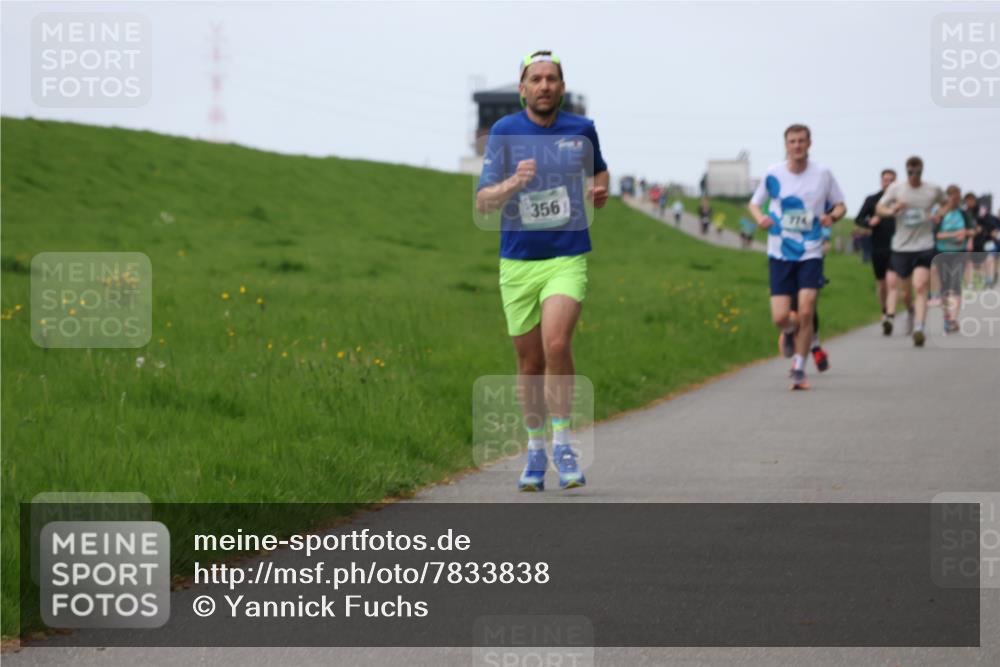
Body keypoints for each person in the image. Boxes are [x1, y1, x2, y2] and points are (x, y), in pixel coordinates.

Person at [476, 50, 608, 491]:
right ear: (523, 89)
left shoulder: (582, 130)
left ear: (561, 87)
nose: (545, 86)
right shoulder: (505, 131)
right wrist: (514, 181)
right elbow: (484, 201)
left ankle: (564, 446)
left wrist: (599, 190)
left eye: (552, 78)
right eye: (537, 79)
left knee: (556, 342)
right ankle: (534, 452)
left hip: (566, 255)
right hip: (517, 261)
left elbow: (601, 175)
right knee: (529, 361)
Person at [748, 124, 845, 390]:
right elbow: (754, 203)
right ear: (786, 145)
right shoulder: (773, 173)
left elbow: (840, 204)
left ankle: (799, 369)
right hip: (780, 251)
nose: (797, 145)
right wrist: (760, 218)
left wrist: (832, 216)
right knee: (780, 318)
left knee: (806, 309)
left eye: (802, 141)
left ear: (809, 143)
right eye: (792, 141)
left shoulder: (822, 174)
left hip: (811, 251)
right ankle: (790, 332)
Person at [875, 155, 952, 347]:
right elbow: (879, 208)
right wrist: (893, 210)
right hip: (901, 247)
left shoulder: (932, 189)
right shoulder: (897, 189)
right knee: (905, 293)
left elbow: (948, 202)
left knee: (920, 286)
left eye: (917, 172)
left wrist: (939, 214)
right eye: (910, 171)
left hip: (924, 246)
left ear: (922, 171)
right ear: (906, 170)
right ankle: (909, 311)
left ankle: (919, 328)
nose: (914, 175)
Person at [854, 169, 904, 329]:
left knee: (892, 282)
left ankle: (890, 315)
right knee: (882, 284)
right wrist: (869, 223)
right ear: (881, 181)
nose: (888, 183)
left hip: (897, 247)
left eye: (892, 180)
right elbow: (858, 219)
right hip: (878, 247)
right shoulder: (873, 200)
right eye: (886, 180)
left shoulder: (901, 200)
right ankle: (884, 310)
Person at [934, 185, 973, 333]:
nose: (955, 200)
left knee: (955, 284)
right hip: (942, 252)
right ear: (947, 197)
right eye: (952, 197)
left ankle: (953, 319)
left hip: (960, 252)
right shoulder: (940, 213)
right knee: (945, 286)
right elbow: (935, 235)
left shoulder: (963, 213)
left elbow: (972, 230)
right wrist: (954, 235)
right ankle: (946, 316)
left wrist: (965, 234)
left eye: (957, 197)